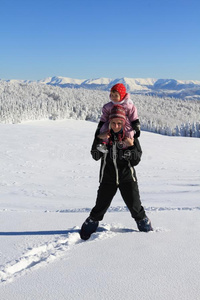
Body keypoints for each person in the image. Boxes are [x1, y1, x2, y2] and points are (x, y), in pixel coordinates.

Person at [80, 105, 153, 240]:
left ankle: (147, 231)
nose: (116, 126)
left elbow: (136, 160)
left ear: (124, 122)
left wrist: (130, 146)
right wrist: (100, 141)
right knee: (99, 208)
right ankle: (86, 231)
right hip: (108, 179)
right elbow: (96, 156)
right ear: (109, 123)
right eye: (113, 123)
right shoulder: (103, 135)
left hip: (128, 178)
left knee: (136, 208)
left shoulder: (130, 136)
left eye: (119, 123)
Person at [95, 83, 141, 153]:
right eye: (112, 95)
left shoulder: (128, 105)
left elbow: (133, 116)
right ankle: (104, 144)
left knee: (129, 133)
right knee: (105, 130)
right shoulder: (109, 106)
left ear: (122, 95)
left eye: (116, 95)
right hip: (111, 122)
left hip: (125, 123)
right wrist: (100, 125)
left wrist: (136, 127)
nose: (113, 97)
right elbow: (104, 116)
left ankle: (128, 146)